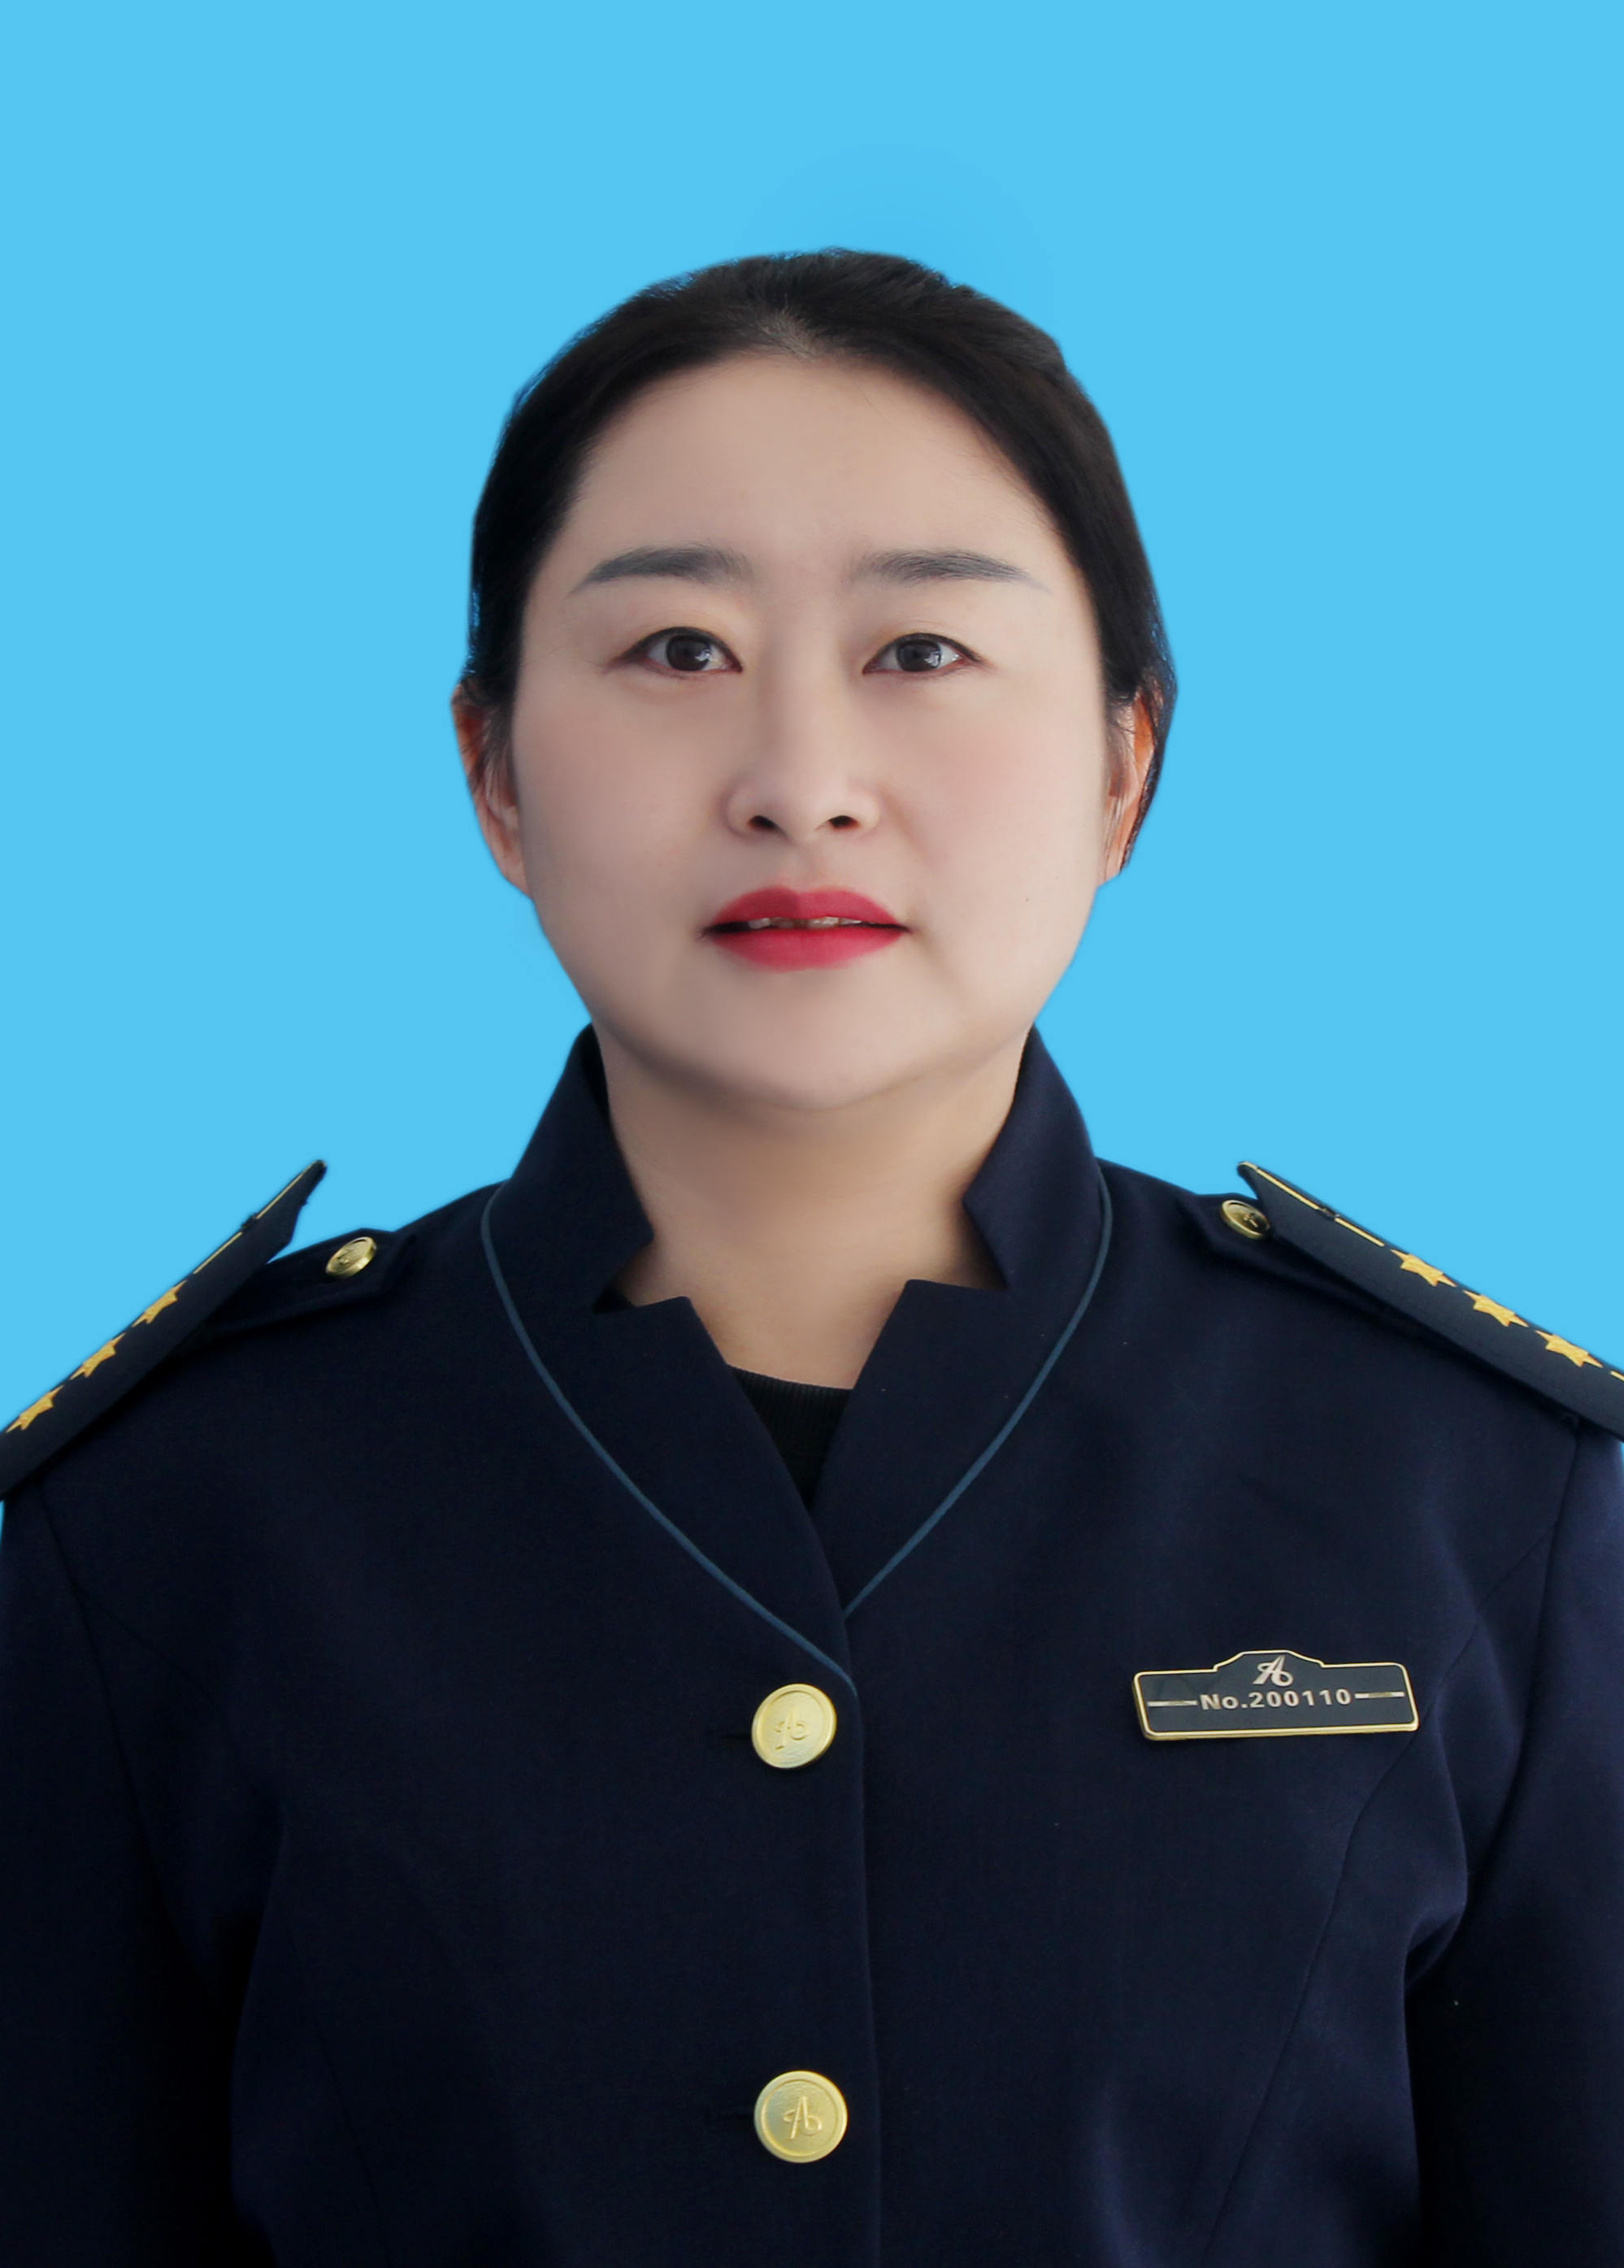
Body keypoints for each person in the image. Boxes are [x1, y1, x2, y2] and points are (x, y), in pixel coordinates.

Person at [1, 250, 1621, 2268]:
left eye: (921, 649)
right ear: (495, 770)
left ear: (1125, 763)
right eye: (677, 648)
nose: (799, 784)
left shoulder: (1479, 1497)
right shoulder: (163, 1518)